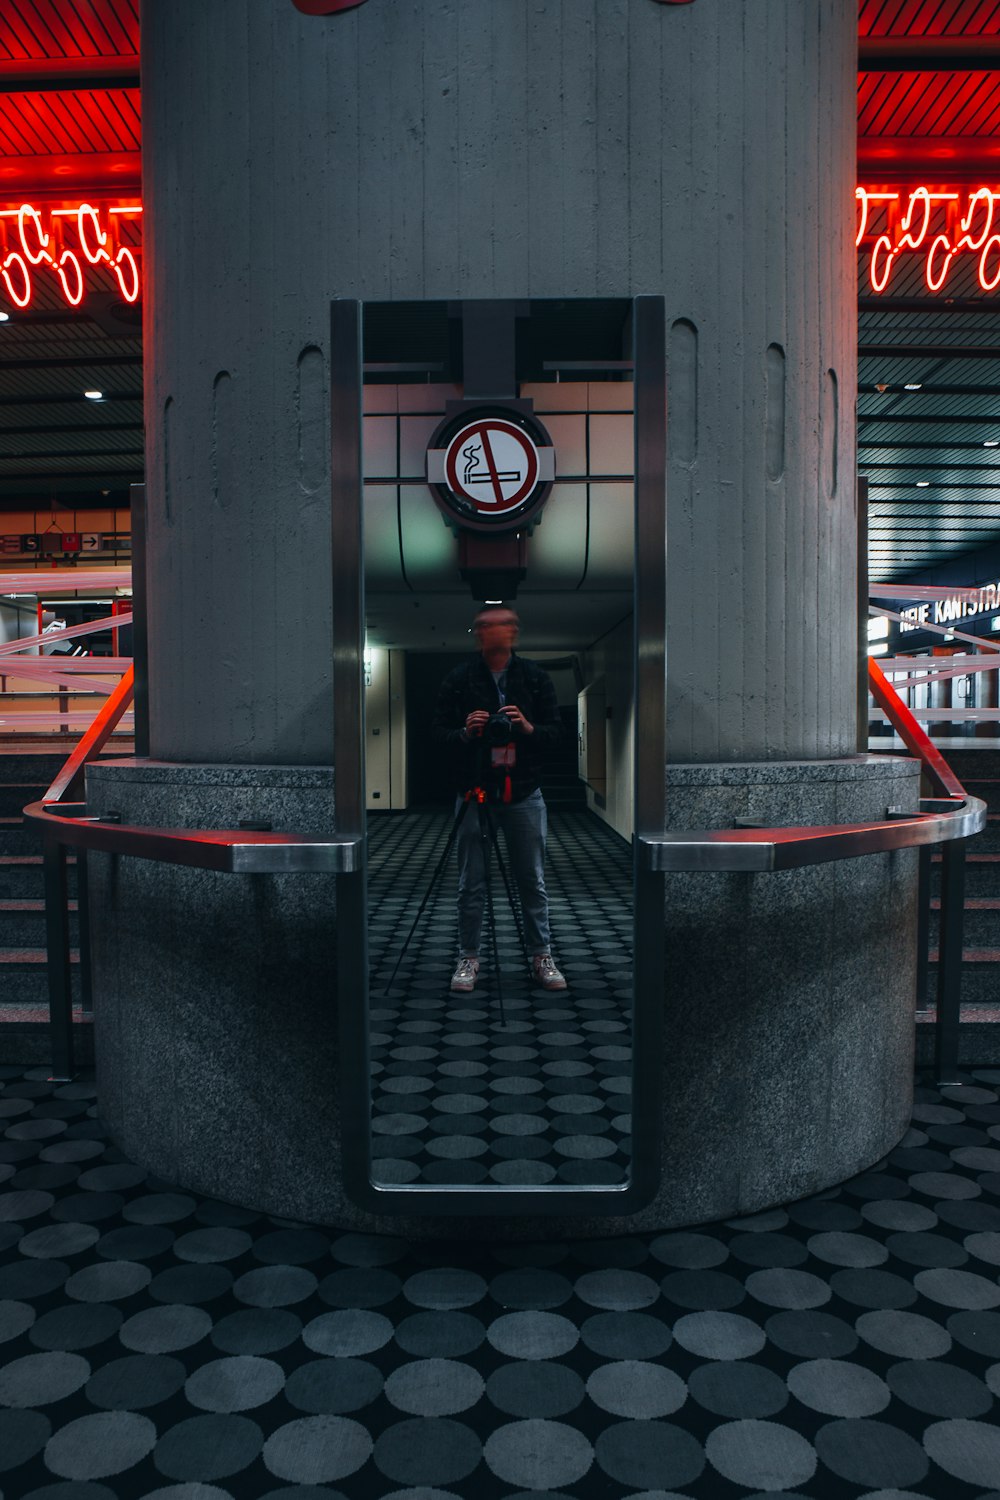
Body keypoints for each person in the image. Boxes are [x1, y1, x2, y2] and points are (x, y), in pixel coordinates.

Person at [432, 605, 567, 993]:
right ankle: (468, 957)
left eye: (501, 625)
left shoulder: (535, 678)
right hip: (473, 791)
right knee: (470, 882)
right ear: (476, 634)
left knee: (531, 879)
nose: (492, 632)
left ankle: (541, 955)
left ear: (514, 633)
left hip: (523, 791)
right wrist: (463, 732)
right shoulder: (459, 679)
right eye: (484, 626)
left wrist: (526, 727)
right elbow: (436, 734)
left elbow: (556, 735)